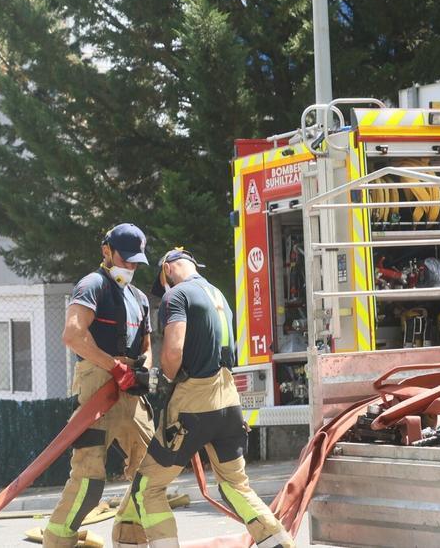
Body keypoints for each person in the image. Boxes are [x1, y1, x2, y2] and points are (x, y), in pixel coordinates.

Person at [111, 249, 294, 548]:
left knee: (147, 488)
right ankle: (279, 543)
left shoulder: (177, 296)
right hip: (229, 404)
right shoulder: (218, 295)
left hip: (193, 408)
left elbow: (173, 352)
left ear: (168, 269)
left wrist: (162, 376)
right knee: (235, 486)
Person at [43, 223, 155, 548]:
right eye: (126, 259)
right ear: (107, 251)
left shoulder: (139, 298)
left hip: (131, 389)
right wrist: (114, 366)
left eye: (136, 262)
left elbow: (147, 345)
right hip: (98, 387)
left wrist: (144, 368)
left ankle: (130, 537)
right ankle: (59, 541)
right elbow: (73, 334)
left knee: (153, 471)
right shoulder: (92, 285)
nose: (130, 267)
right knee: (89, 481)